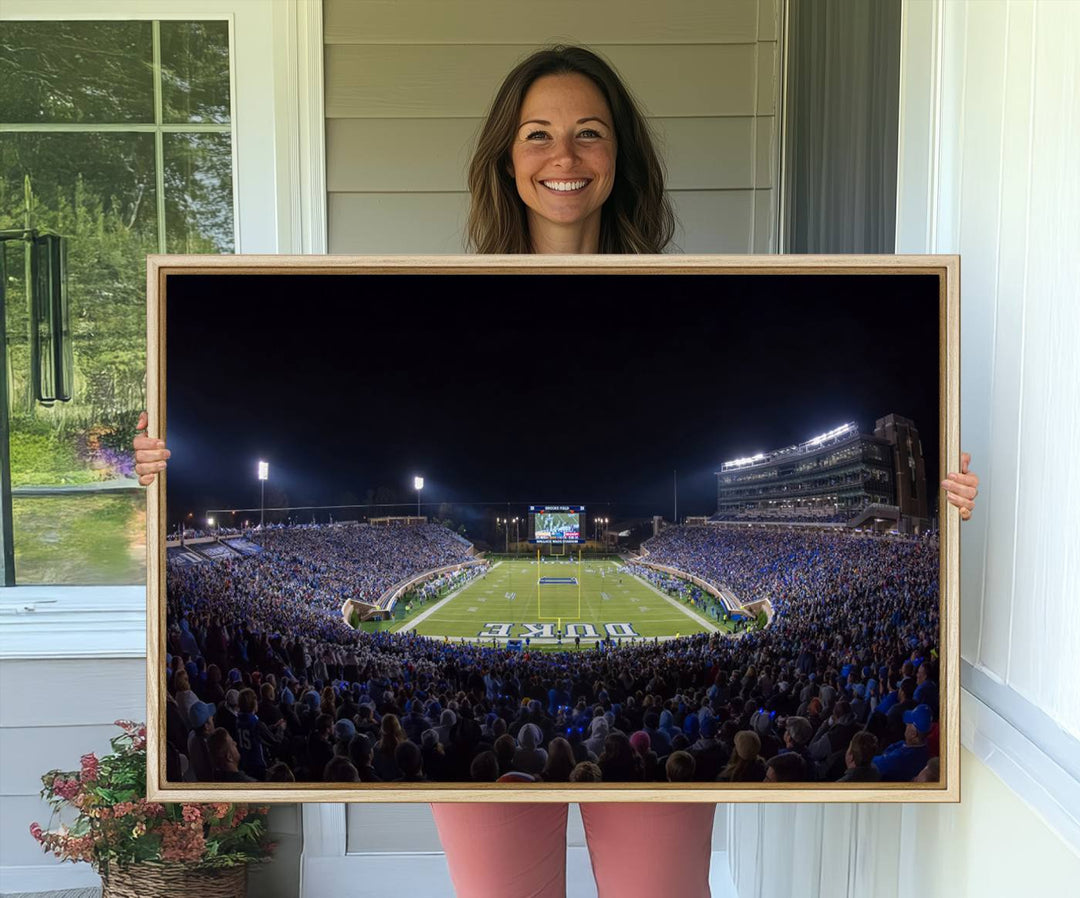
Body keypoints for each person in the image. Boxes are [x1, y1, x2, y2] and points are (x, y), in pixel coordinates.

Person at [135, 42, 980, 898]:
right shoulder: (449, 306)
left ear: (621, 157)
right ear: (506, 158)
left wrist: (942, 505)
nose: (563, 157)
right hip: (496, 732)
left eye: (589, 133)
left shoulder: (678, 306)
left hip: (637, 738)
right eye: (537, 134)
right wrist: (156, 468)